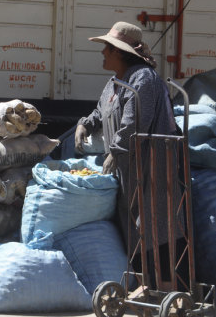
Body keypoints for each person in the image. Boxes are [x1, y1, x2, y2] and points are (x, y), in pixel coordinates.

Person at [74, 22, 183, 288]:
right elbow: (101, 113)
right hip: (127, 170)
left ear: (121, 53)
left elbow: (136, 122)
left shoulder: (143, 79)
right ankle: (144, 286)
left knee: (155, 225)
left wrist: (115, 150)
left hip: (151, 168)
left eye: (107, 49)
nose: (103, 54)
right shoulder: (114, 84)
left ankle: (165, 287)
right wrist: (84, 125)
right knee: (133, 227)